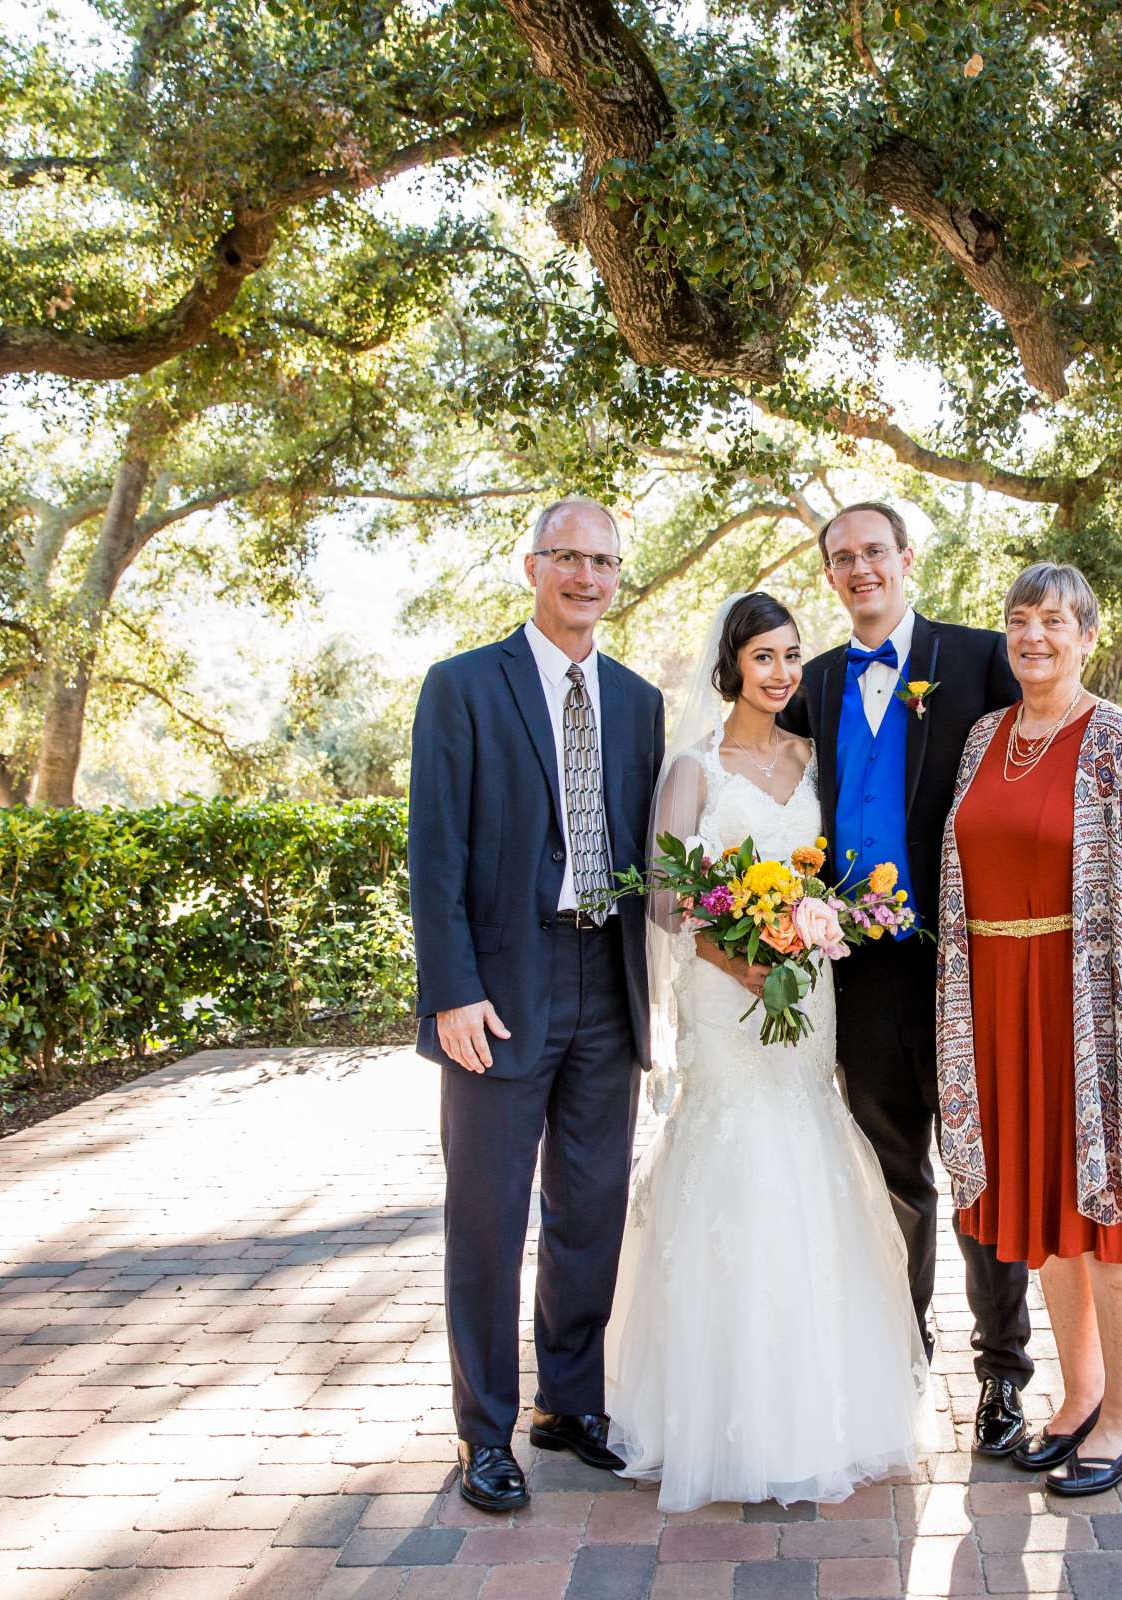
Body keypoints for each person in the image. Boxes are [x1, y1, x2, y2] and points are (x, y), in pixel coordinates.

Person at [603, 592, 927, 1511]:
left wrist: (811, 932)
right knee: (736, 1164)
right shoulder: (694, 769)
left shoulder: (813, 760)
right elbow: (667, 899)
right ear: (731, 668)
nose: (783, 674)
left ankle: (820, 1409)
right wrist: (737, 954)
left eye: (792, 657)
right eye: (764, 659)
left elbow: (830, 872)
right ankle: (720, 1411)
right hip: (727, 995)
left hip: (805, 991)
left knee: (812, 1153)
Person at [934, 561, 1122, 1498]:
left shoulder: (1121, 739)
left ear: (1088, 636)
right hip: (1004, 1006)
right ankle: (1080, 1395)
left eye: (1056, 621)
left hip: (1091, 1009)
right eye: (1020, 620)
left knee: (1120, 1210)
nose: (1035, 637)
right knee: (1052, 1208)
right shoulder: (983, 739)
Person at [407, 498, 664, 1514]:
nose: (587, 576)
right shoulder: (464, 687)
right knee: (486, 1213)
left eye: (604, 560)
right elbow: (436, 855)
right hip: (501, 992)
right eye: (569, 557)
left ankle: (570, 1402)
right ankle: (483, 1433)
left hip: (610, 981)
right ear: (531, 566)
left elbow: (657, 858)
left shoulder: (641, 702)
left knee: (590, 1205)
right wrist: (451, 991)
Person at [777, 502, 1036, 1458]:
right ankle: (901, 1359)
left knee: (985, 1170)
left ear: (905, 558)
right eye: (841, 559)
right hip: (861, 972)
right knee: (891, 1173)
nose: (859, 570)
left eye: (872, 552)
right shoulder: (811, 684)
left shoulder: (977, 660)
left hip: (966, 965)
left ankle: (1002, 1376)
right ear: (832, 575)